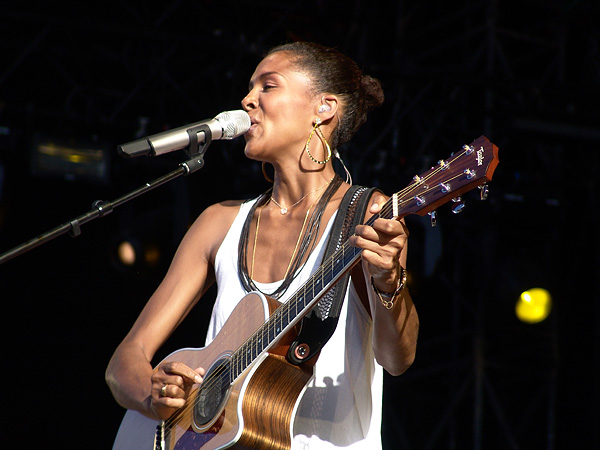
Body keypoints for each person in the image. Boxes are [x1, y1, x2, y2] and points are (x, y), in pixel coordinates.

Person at [106, 41, 419, 450]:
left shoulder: (369, 214)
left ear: (323, 108)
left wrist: (388, 281)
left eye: (267, 86)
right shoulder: (219, 222)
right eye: (250, 88)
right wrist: (156, 394)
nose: (246, 100)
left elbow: (397, 360)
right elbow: (123, 363)